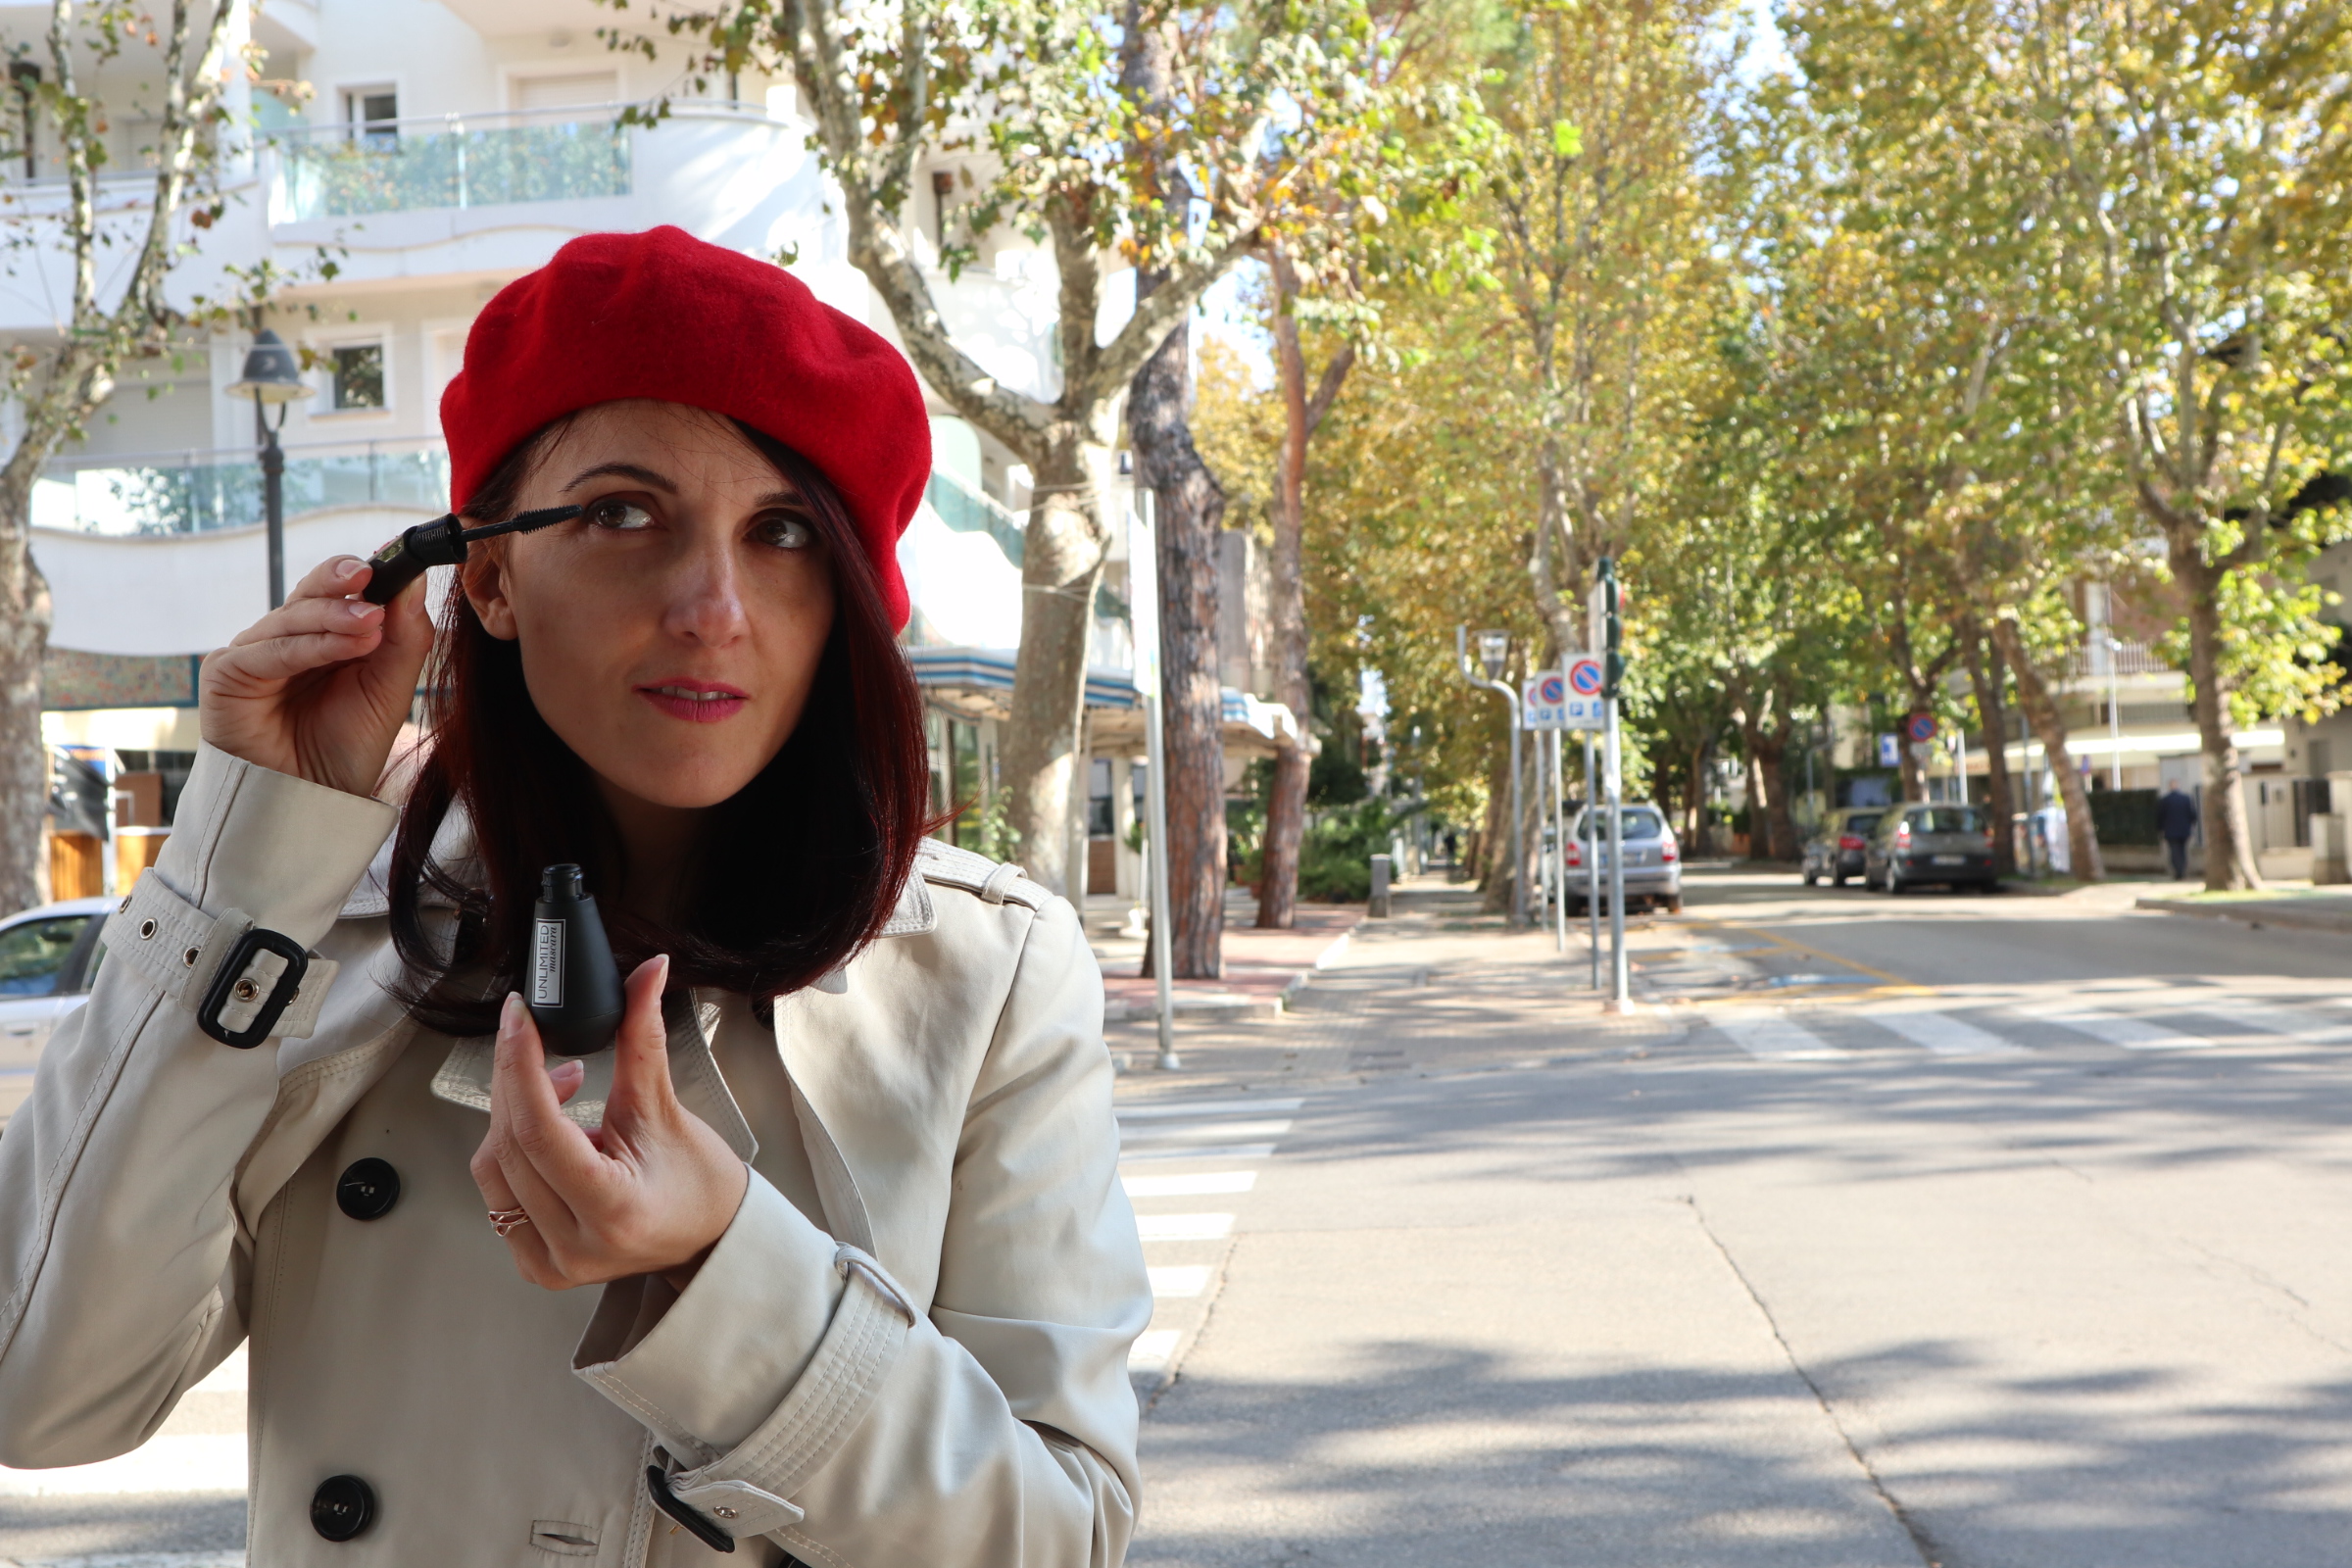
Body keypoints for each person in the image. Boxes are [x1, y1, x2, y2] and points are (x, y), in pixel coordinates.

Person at [0, 228, 1150, 1567]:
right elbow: (41, 1392)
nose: (713, 606)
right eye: (619, 513)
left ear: (843, 601)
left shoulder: (979, 969)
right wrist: (243, 862)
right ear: (485, 577)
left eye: (781, 532)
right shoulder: (322, 936)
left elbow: (1061, 1539)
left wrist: (730, 1273)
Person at [2157, 782, 2199, 879]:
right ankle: (2181, 869)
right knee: (2183, 851)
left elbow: (2160, 816)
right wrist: (2191, 824)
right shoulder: (2186, 799)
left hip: (2170, 831)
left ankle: (2178, 870)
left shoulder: (2165, 800)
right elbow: (2192, 814)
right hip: (2184, 830)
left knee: (2174, 851)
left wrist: (2160, 829)